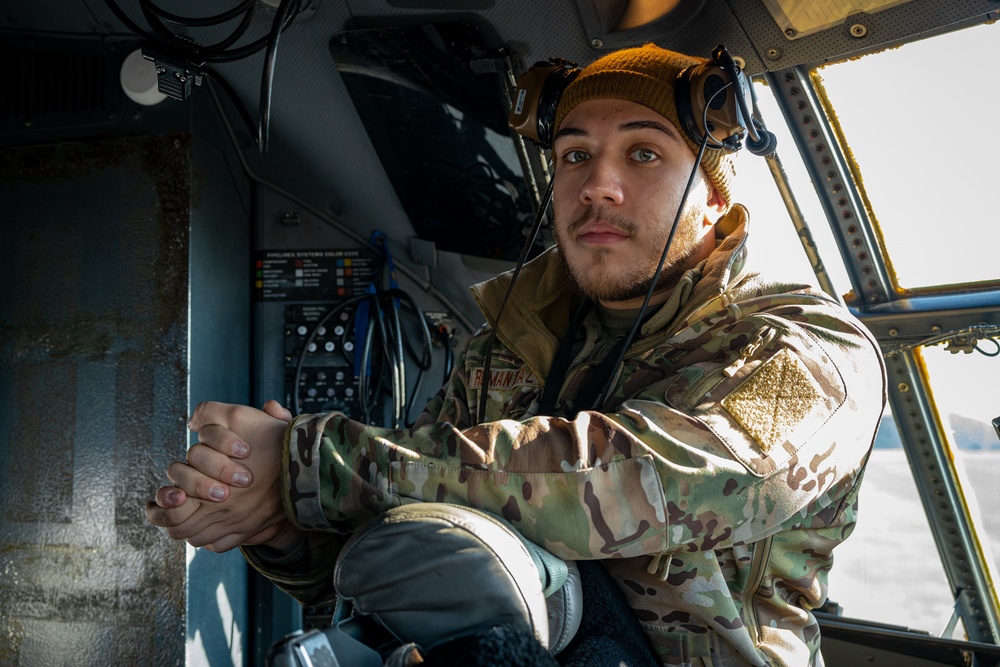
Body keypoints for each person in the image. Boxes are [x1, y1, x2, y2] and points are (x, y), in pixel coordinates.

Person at [148, 43, 887, 666]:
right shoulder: (504, 351)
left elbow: (667, 479)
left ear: (716, 201)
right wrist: (277, 520)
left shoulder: (807, 347)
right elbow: (415, 559)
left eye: (643, 152)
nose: (599, 183)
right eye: (575, 154)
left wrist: (311, 464)